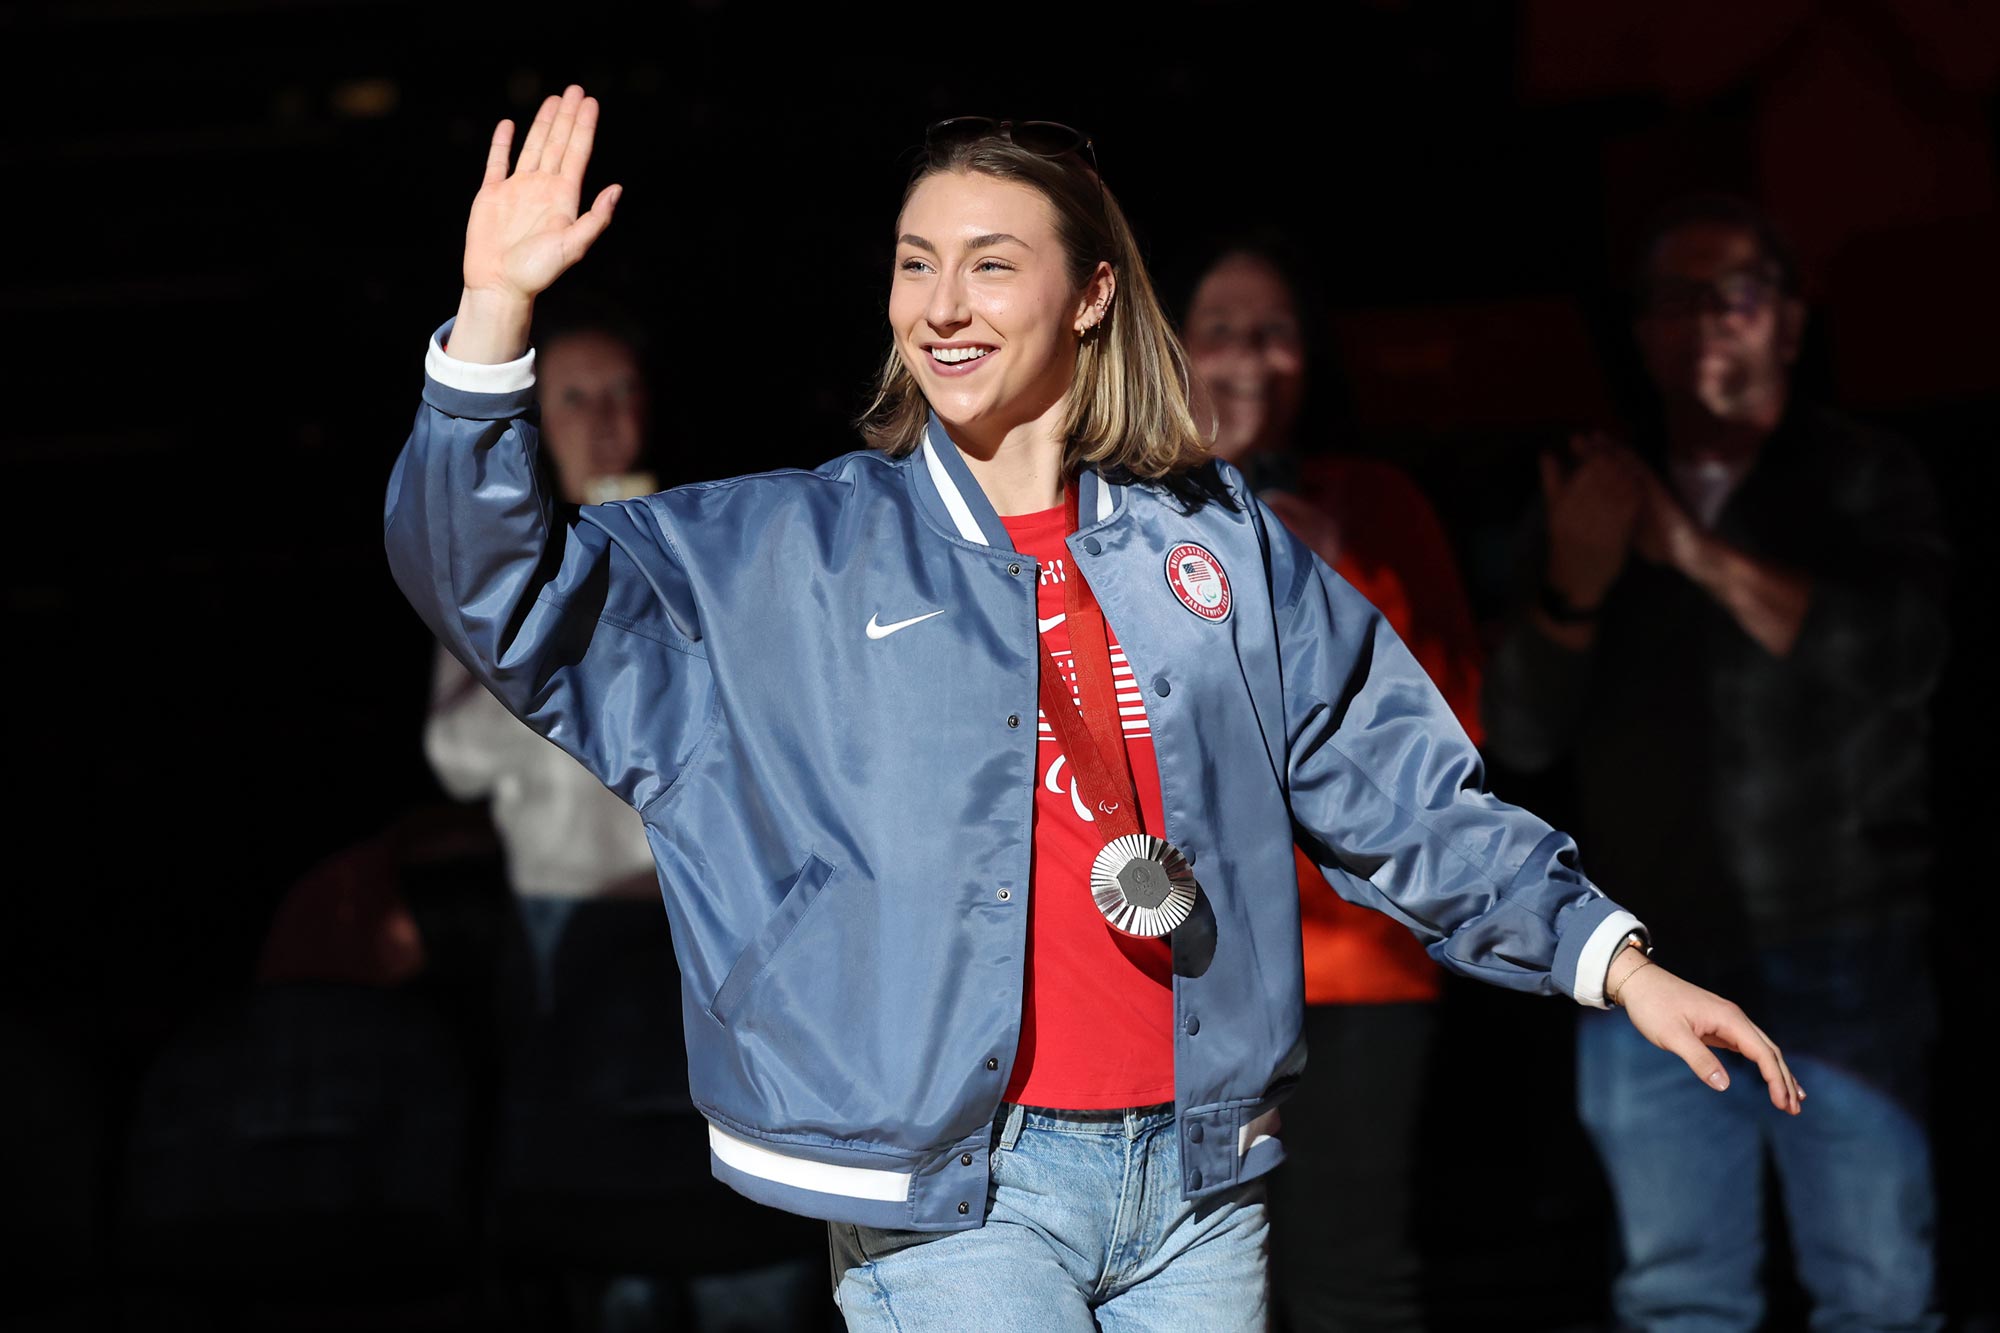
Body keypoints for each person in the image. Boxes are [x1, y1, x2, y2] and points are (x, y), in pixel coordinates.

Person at [384, 88, 1801, 1332]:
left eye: (990, 265)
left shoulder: (1210, 542)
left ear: (1090, 295)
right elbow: (497, 588)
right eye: (914, 263)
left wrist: (1613, 960)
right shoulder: (791, 554)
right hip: (955, 1188)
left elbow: (1395, 786)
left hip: (1197, 1179)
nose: (941, 304)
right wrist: (494, 321)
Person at [1483, 195, 1945, 1331]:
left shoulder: (1861, 475)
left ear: (1789, 320)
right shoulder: (1589, 487)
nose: (1704, 325)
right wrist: (1571, 591)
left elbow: (1900, 663)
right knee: (1677, 1294)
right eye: (1673, 301)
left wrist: (1687, 552)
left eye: (1732, 295)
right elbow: (1516, 735)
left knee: (1877, 1288)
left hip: (1840, 943)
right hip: (1653, 960)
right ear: (1638, 332)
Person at [424, 303, 826, 1331]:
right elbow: (458, 752)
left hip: (709, 914)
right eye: (572, 397)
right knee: (605, 1196)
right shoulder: (506, 570)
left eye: (619, 393)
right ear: (534, 422)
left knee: (735, 1189)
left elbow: (775, 729)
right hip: (571, 914)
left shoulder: (704, 545)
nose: (601, 419)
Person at [1184, 240, 1483, 1333]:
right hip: (1185, 964)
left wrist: (1339, 576)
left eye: (1273, 330)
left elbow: (1456, 727)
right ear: (1169, 348)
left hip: (1357, 965)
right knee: (1200, 1283)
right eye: (1218, 327)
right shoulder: (1114, 505)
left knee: (1350, 1279)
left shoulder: (1372, 503)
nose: (1248, 356)